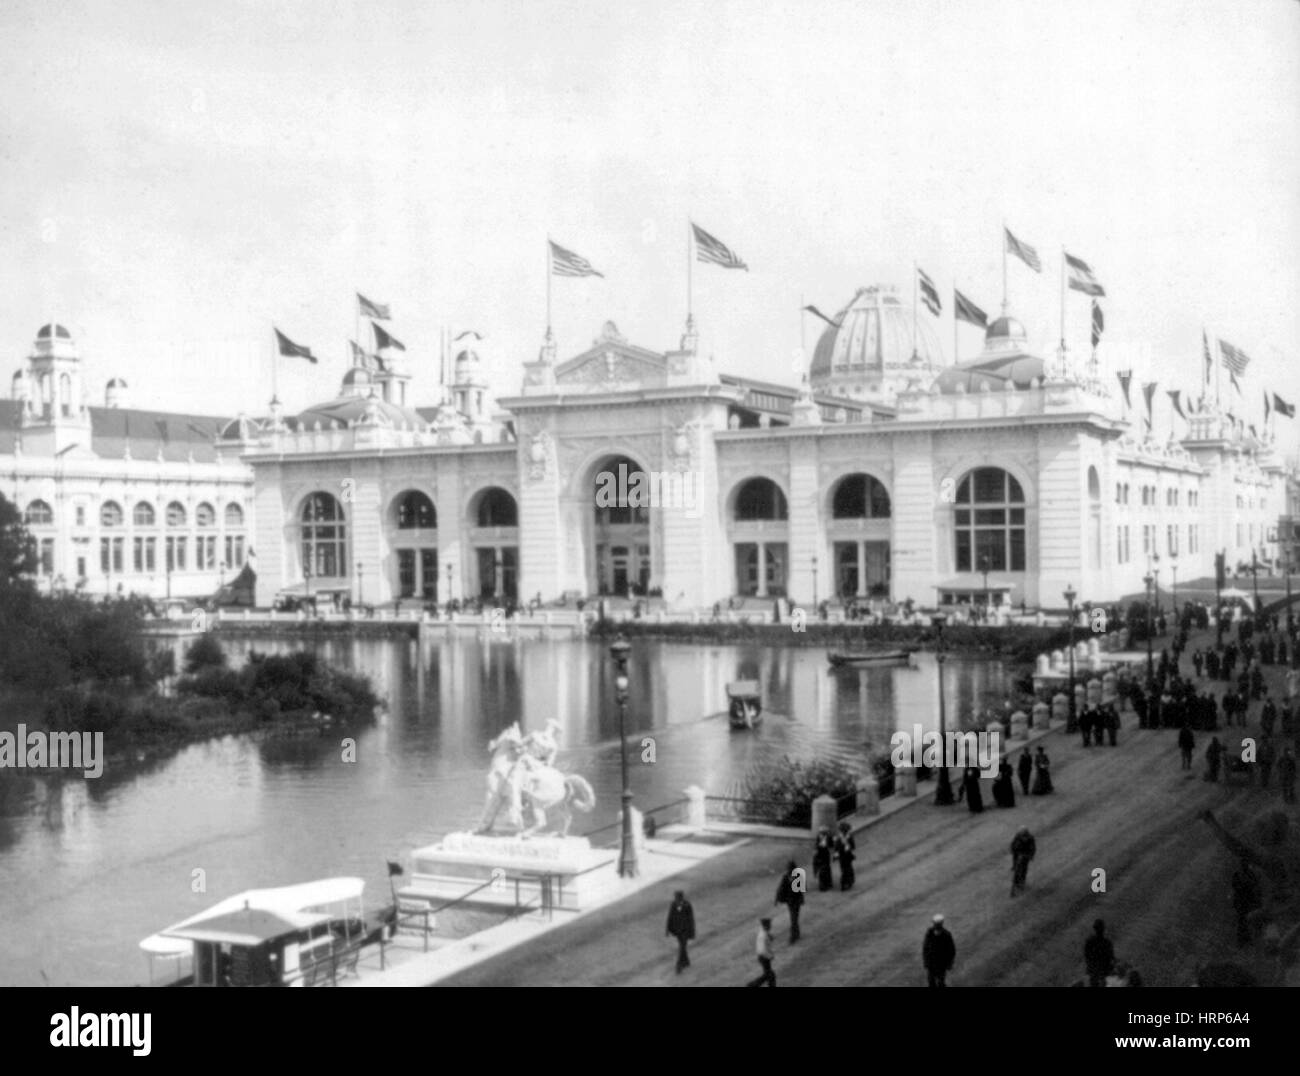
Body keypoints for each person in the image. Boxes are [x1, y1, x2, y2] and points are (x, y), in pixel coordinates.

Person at [1230, 861, 1261, 948]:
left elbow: (1253, 885)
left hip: (1244, 901)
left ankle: (1244, 940)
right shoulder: (1243, 874)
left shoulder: (1242, 874)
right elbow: (1254, 885)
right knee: (1243, 920)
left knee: (1244, 920)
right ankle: (1244, 940)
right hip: (1244, 901)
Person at [665, 890, 696, 973]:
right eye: (676, 897)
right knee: (682, 946)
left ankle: (679, 964)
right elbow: (670, 917)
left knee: (682, 946)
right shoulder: (673, 904)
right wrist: (667, 930)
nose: (676, 899)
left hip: (686, 930)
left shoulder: (687, 905)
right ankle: (686, 961)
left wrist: (692, 932)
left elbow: (691, 919)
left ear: (681, 897)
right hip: (677, 930)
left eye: (678, 897)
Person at [922, 914, 956, 987]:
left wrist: (950, 963)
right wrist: (926, 961)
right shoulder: (929, 932)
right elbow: (925, 948)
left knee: (940, 982)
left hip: (941, 962)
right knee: (931, 982)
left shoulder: (946, 935)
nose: (935, 925)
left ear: (941, 924)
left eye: (937, 924)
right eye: (934, 923)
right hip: (931, 962)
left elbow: (951, 950)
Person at [774, 860, 804, 943]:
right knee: (794, 918)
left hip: (794, 901)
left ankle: (794, 935)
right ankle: (795, 933)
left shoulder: (789, 876)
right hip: (792, 901)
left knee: (794, 918)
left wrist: (777, 899)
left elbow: (780, 889)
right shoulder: (794, 876)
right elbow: (781, 889)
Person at [1084, 919, 1115, 987]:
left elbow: (1087, 957)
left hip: (1094, 972)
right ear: (1103, 929)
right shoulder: (1107, 942)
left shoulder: (1090, 941)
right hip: (1103, 972)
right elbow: (1112, 958)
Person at [747, 918, 776, 987]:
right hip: (764, 957)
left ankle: (753, 984)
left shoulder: (764, 932)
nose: (771, 926)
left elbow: (768, 937)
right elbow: (762, 950)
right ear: (766, 926)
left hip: (764, 957)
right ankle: (752, 985)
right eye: (769, 925)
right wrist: (770, 956)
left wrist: (770, 937)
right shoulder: (762, 936)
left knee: (769, 975)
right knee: (769, 975)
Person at [1010, 826, 1036, 896]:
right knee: (1016, 868)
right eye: (1022, 835)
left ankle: (1022, 882)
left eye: (1024, 835)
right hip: (1017, 853)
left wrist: (1030, 856)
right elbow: (1013, 845)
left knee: (1024, 869)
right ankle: (1016, 882)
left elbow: (1032, 848)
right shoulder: (1017, 836)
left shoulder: (1030, 838)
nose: (1023, 837)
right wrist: (1014, 851)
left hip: (1025, 855)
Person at [834, 822, 856, 890]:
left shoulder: (848, 837)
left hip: (846, 856)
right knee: (845, 869)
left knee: (846, 869)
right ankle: (845, 883)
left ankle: (847, 882)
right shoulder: (840, 838)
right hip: (843, 856)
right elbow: (837, 847)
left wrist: (848, 847)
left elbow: (853, 846)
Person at [813, 827, 835, 892]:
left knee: (826, 869)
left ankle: (828, 883)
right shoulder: (818, 838)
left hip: (826, 855)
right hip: (820, 855)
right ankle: (822, 885)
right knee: (822, 871)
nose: (822, 834)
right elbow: (816, 846)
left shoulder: (829, 838)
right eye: (821, 833)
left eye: (823, 833)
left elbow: (831, 846)